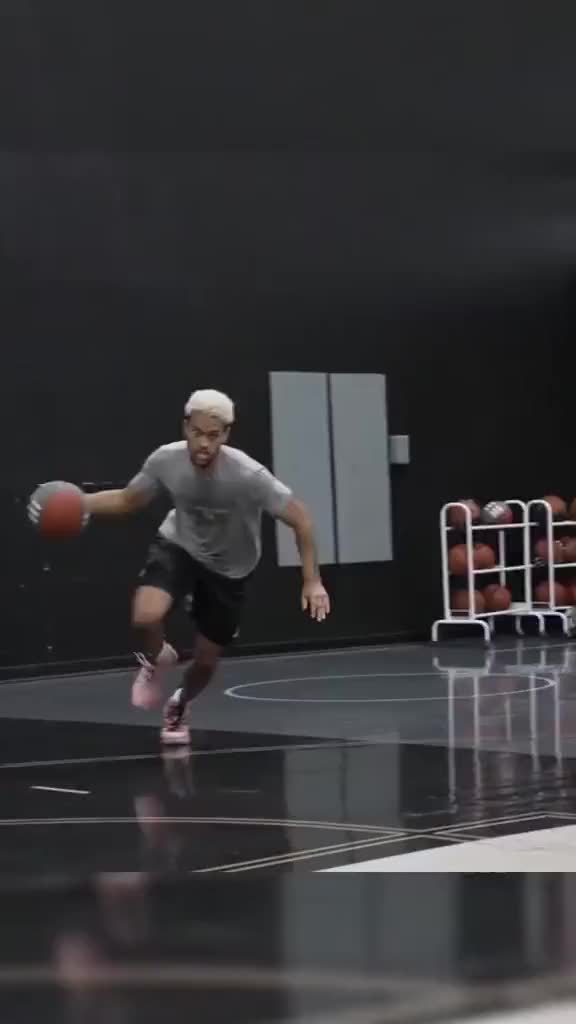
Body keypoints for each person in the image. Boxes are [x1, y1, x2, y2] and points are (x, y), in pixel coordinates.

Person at [58, 389, 330, 745]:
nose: (204, 443)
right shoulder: (166, 460)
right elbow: (127, 501)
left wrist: (312, 581)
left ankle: (180, 704)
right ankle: (157, 659)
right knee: (145, 616)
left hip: (229, 569)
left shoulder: (249, 475)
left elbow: (301, 518)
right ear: (186, 426)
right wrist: (79, 503)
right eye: (197, 432)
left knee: (205, 662)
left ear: (226, 434)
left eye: (213, 435)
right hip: (180, 545)